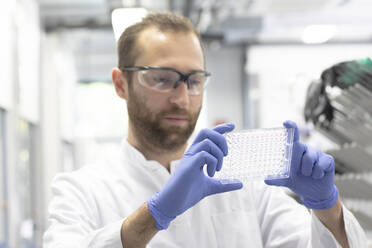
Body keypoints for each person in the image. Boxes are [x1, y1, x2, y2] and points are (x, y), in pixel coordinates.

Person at [43, 12, 367, 248]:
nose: (182, 98)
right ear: (120, 84)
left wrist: (327, 207)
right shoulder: (80, 191)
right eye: (162, 78)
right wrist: (155, 214)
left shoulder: (245, 184)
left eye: (194, 81)